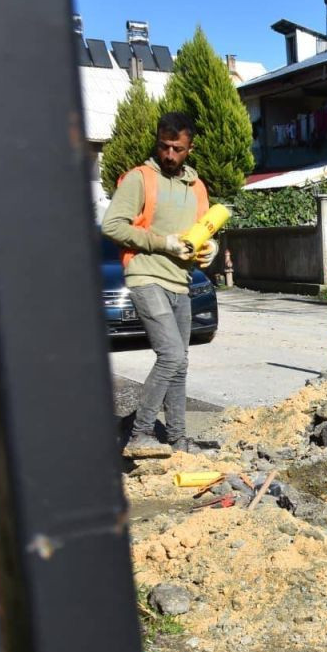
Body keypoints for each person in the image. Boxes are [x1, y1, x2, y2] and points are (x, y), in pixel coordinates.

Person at [103, 112, 219, 457]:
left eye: (177, 149)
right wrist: (162, 242)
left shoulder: (198, 187)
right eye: (164, 146)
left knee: (180, 362)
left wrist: (210, 249)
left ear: (190, 148)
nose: (169, 155)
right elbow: (112, 226)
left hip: (180, 282)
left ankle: (178, 440)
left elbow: (203, 230)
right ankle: (140, 434)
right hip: (145, 276)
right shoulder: (140, 180)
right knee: (169, 355)